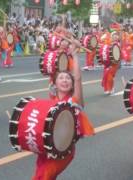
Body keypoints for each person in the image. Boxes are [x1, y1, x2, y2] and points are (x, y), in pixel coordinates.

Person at [33, 37, 94, 180]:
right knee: (44, 174)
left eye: (68, 79)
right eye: (61, 78)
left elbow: (77, 78)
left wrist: (75, 55)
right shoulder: (52, 99)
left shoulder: (74, 101)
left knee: (44, 175)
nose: (65, 80)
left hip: (64, 150)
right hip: (48, 149)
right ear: (55, 83)